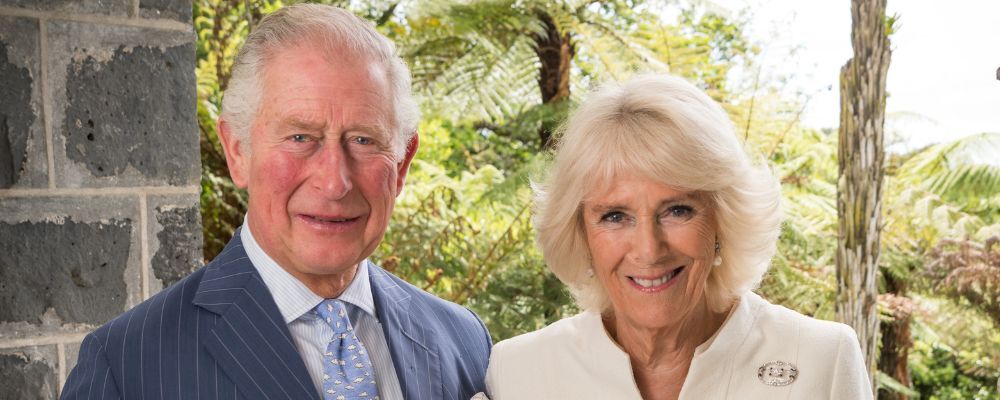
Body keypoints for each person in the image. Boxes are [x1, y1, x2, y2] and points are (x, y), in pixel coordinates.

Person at [62, 4, 491, 399]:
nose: (334, 182)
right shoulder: (125, 366)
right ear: (237, 151)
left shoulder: (464, 341)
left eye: (363, 140)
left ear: (401, 163)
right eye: (300, 137)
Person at [484, 74, 872, 399]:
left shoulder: (823, 358)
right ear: (580, 232)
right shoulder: (518, 373)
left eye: (677, 210)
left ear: (723, 218)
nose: (649, 250)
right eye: (615, 216)